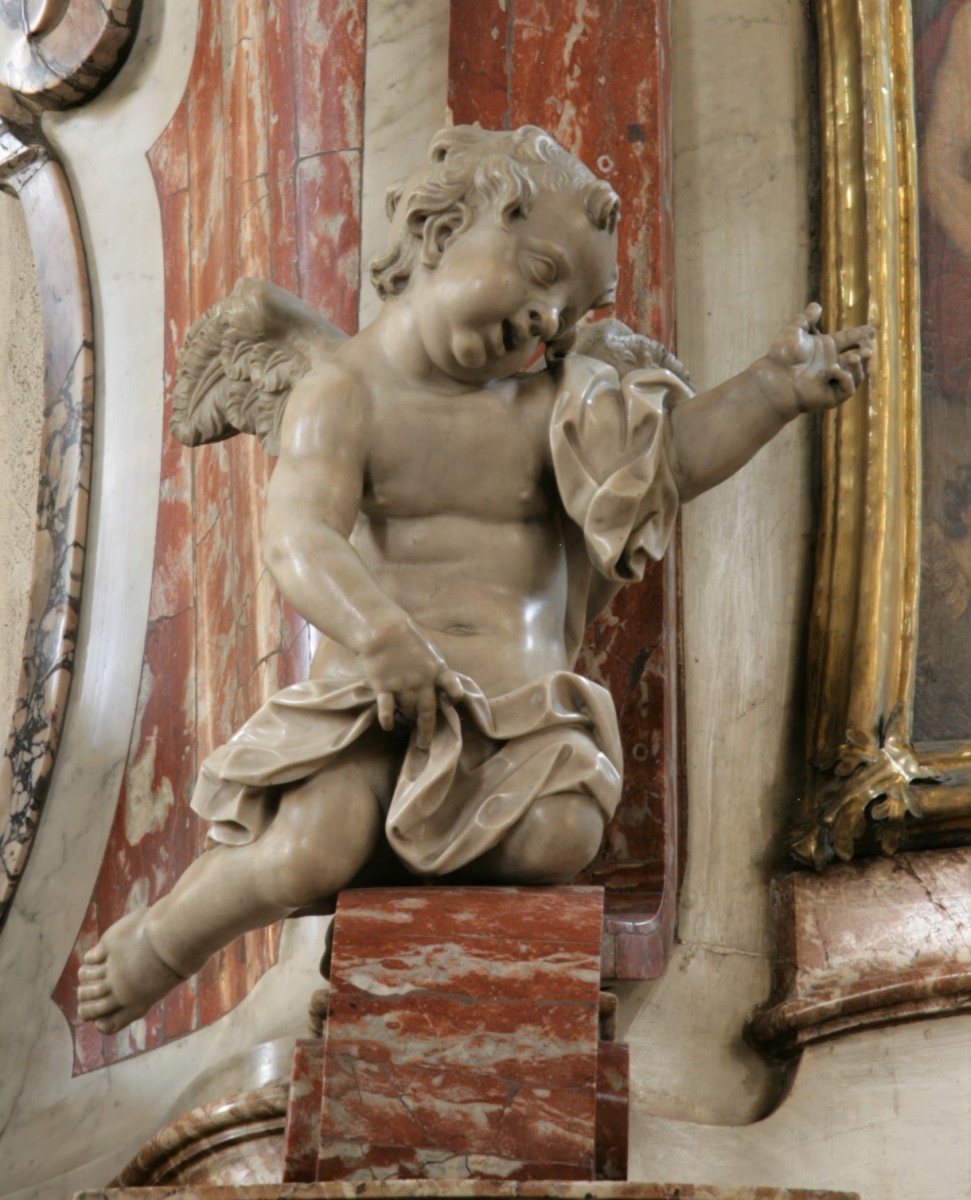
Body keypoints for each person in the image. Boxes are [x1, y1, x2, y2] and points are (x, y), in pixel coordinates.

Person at [78, 125, 873, 1033]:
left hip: (521, 721)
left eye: (571, 309)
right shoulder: (344, 392)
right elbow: (297, 535)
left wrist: (773, 388)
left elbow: (671, 464)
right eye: (539, 272)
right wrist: (380, 636)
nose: (549, 320)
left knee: (561, 838)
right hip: (370, 712)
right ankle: (168, 939)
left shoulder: (557, 405)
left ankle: (413, 848)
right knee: (311, 848)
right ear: (444, 230)